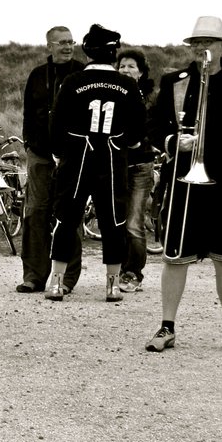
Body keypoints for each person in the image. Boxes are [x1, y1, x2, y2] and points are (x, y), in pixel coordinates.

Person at [146, 16, 222, 356]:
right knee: (175, 257)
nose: (202, 49)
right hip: (184, 183)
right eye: (196, 43)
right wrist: (172, 141)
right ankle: (167, 326)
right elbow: (153, 125)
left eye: (209, 43)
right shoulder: (175, 82)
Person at [45, 24, 147, 302]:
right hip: (112, 160)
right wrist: (125, 142)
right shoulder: (128, 85)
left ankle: (55, 282)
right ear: (113, 53)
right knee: (113, 221)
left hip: (76, 158)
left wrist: (59, 153)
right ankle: (112, 285)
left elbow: (56, 125)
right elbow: (138, 131)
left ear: (87, 51)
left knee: (66, 219)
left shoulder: (73, 81)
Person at [16, 26, 85, 293]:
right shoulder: (37, 75)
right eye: (62, 42)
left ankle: (66, 279)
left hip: (72, 156)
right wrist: (29, 144)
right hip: (40, 155)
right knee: (35, 213)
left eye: (71, 42)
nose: (68, 46)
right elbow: (27, 114)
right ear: (49, 46)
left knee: (69, 216)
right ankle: (34, 275)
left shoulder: (81, 73)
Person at [116, 48, 160, 291]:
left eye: (131, 66)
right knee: (117, 221)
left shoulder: (151, 97)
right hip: (116, 163)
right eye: (122, 66)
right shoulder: (113, 93)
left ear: (141, 71)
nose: (126, 70)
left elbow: (152, 127)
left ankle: (134, 273)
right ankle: (119, 270)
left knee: (134, 222)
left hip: (141, 164)